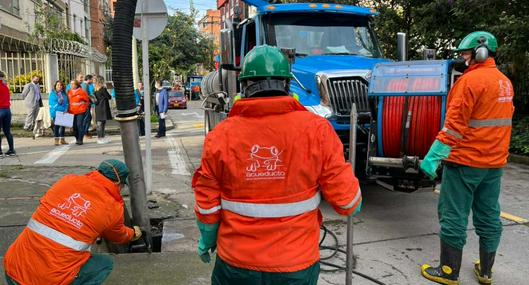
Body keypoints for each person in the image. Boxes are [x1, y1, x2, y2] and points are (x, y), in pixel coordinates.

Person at [193, 45, 362, 285]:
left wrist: (208, 239)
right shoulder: (317, 131)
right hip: (295, 265)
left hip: (236, 265)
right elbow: (347, 203)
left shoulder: (220, 136)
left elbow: (207, 205)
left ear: (244, 88)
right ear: (286, 84)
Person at [420, 31, 515, 285]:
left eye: (466, 53)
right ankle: (485, 271)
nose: (463, 58)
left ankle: (449, 271)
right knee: (488, 216)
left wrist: (433, 156)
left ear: (481, 52)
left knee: (453, 216)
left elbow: (454, 126)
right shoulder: (504, 82)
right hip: (493, 165)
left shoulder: (470, 82)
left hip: (464, 162)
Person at [3, 159, 143, 285]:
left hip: (12, 269)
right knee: (105, 264)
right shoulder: (112, 207)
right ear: (118, 183)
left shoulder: (67, 181)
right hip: (48, 280)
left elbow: (47, 203)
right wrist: (133, 234)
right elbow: (117, 235)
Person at [68, 80, 90, 145]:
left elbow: (87, 101)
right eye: (70, 84)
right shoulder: (69, 92)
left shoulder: (82, 92)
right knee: (74, 127)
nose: (71, 85)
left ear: (76, 85)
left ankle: (80, 139)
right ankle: (77, 138)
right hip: (71, 111)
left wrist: (84, 107)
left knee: (79, 125)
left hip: (80, 111)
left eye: (73, 84)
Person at [49, 80, 69, 146]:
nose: (59, 86)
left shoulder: (64, 94)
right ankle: (56, 140)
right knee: (56, 126)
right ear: (55, 86)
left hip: (63, 112)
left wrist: (66, 109)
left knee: (63, 127)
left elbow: (66, 103)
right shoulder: (53, 94)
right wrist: (58, 102)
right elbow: (52, 104)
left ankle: (62, 140)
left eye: (61, 85)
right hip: (56, 112)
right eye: (58, 85)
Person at [0, 71, 15, 157]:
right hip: (7, 110)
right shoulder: (5, 87)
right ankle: (11, 149)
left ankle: (0, 152)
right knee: (7, 132)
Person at [94, 75, 113, 144]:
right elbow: (109, 97)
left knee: (100, 123)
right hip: (103, 108)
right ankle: (100, 138)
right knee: (102, 123)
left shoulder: (95, 89)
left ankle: (101, 137)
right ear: (101, 81)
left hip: (98, 107)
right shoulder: (103, 89)